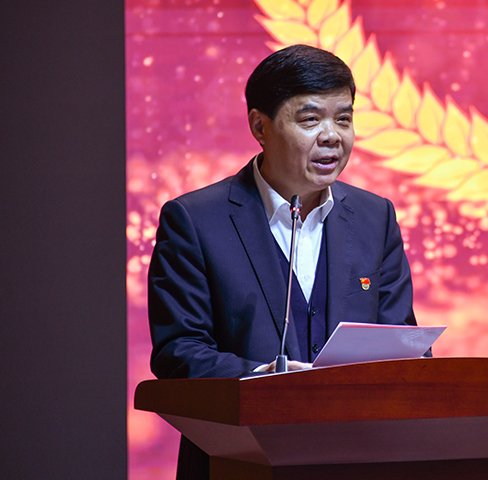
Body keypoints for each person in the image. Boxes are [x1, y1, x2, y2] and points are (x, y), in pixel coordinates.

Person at [147, 44, 417, 480]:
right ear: (260, 126)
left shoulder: (374, 217)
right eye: (310, 120)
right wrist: (261, 378)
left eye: (343, 119)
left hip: (357, 459)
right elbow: (179, 352)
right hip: (237, 461)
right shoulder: (195, 220)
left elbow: (400, 341)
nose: (332, 136)